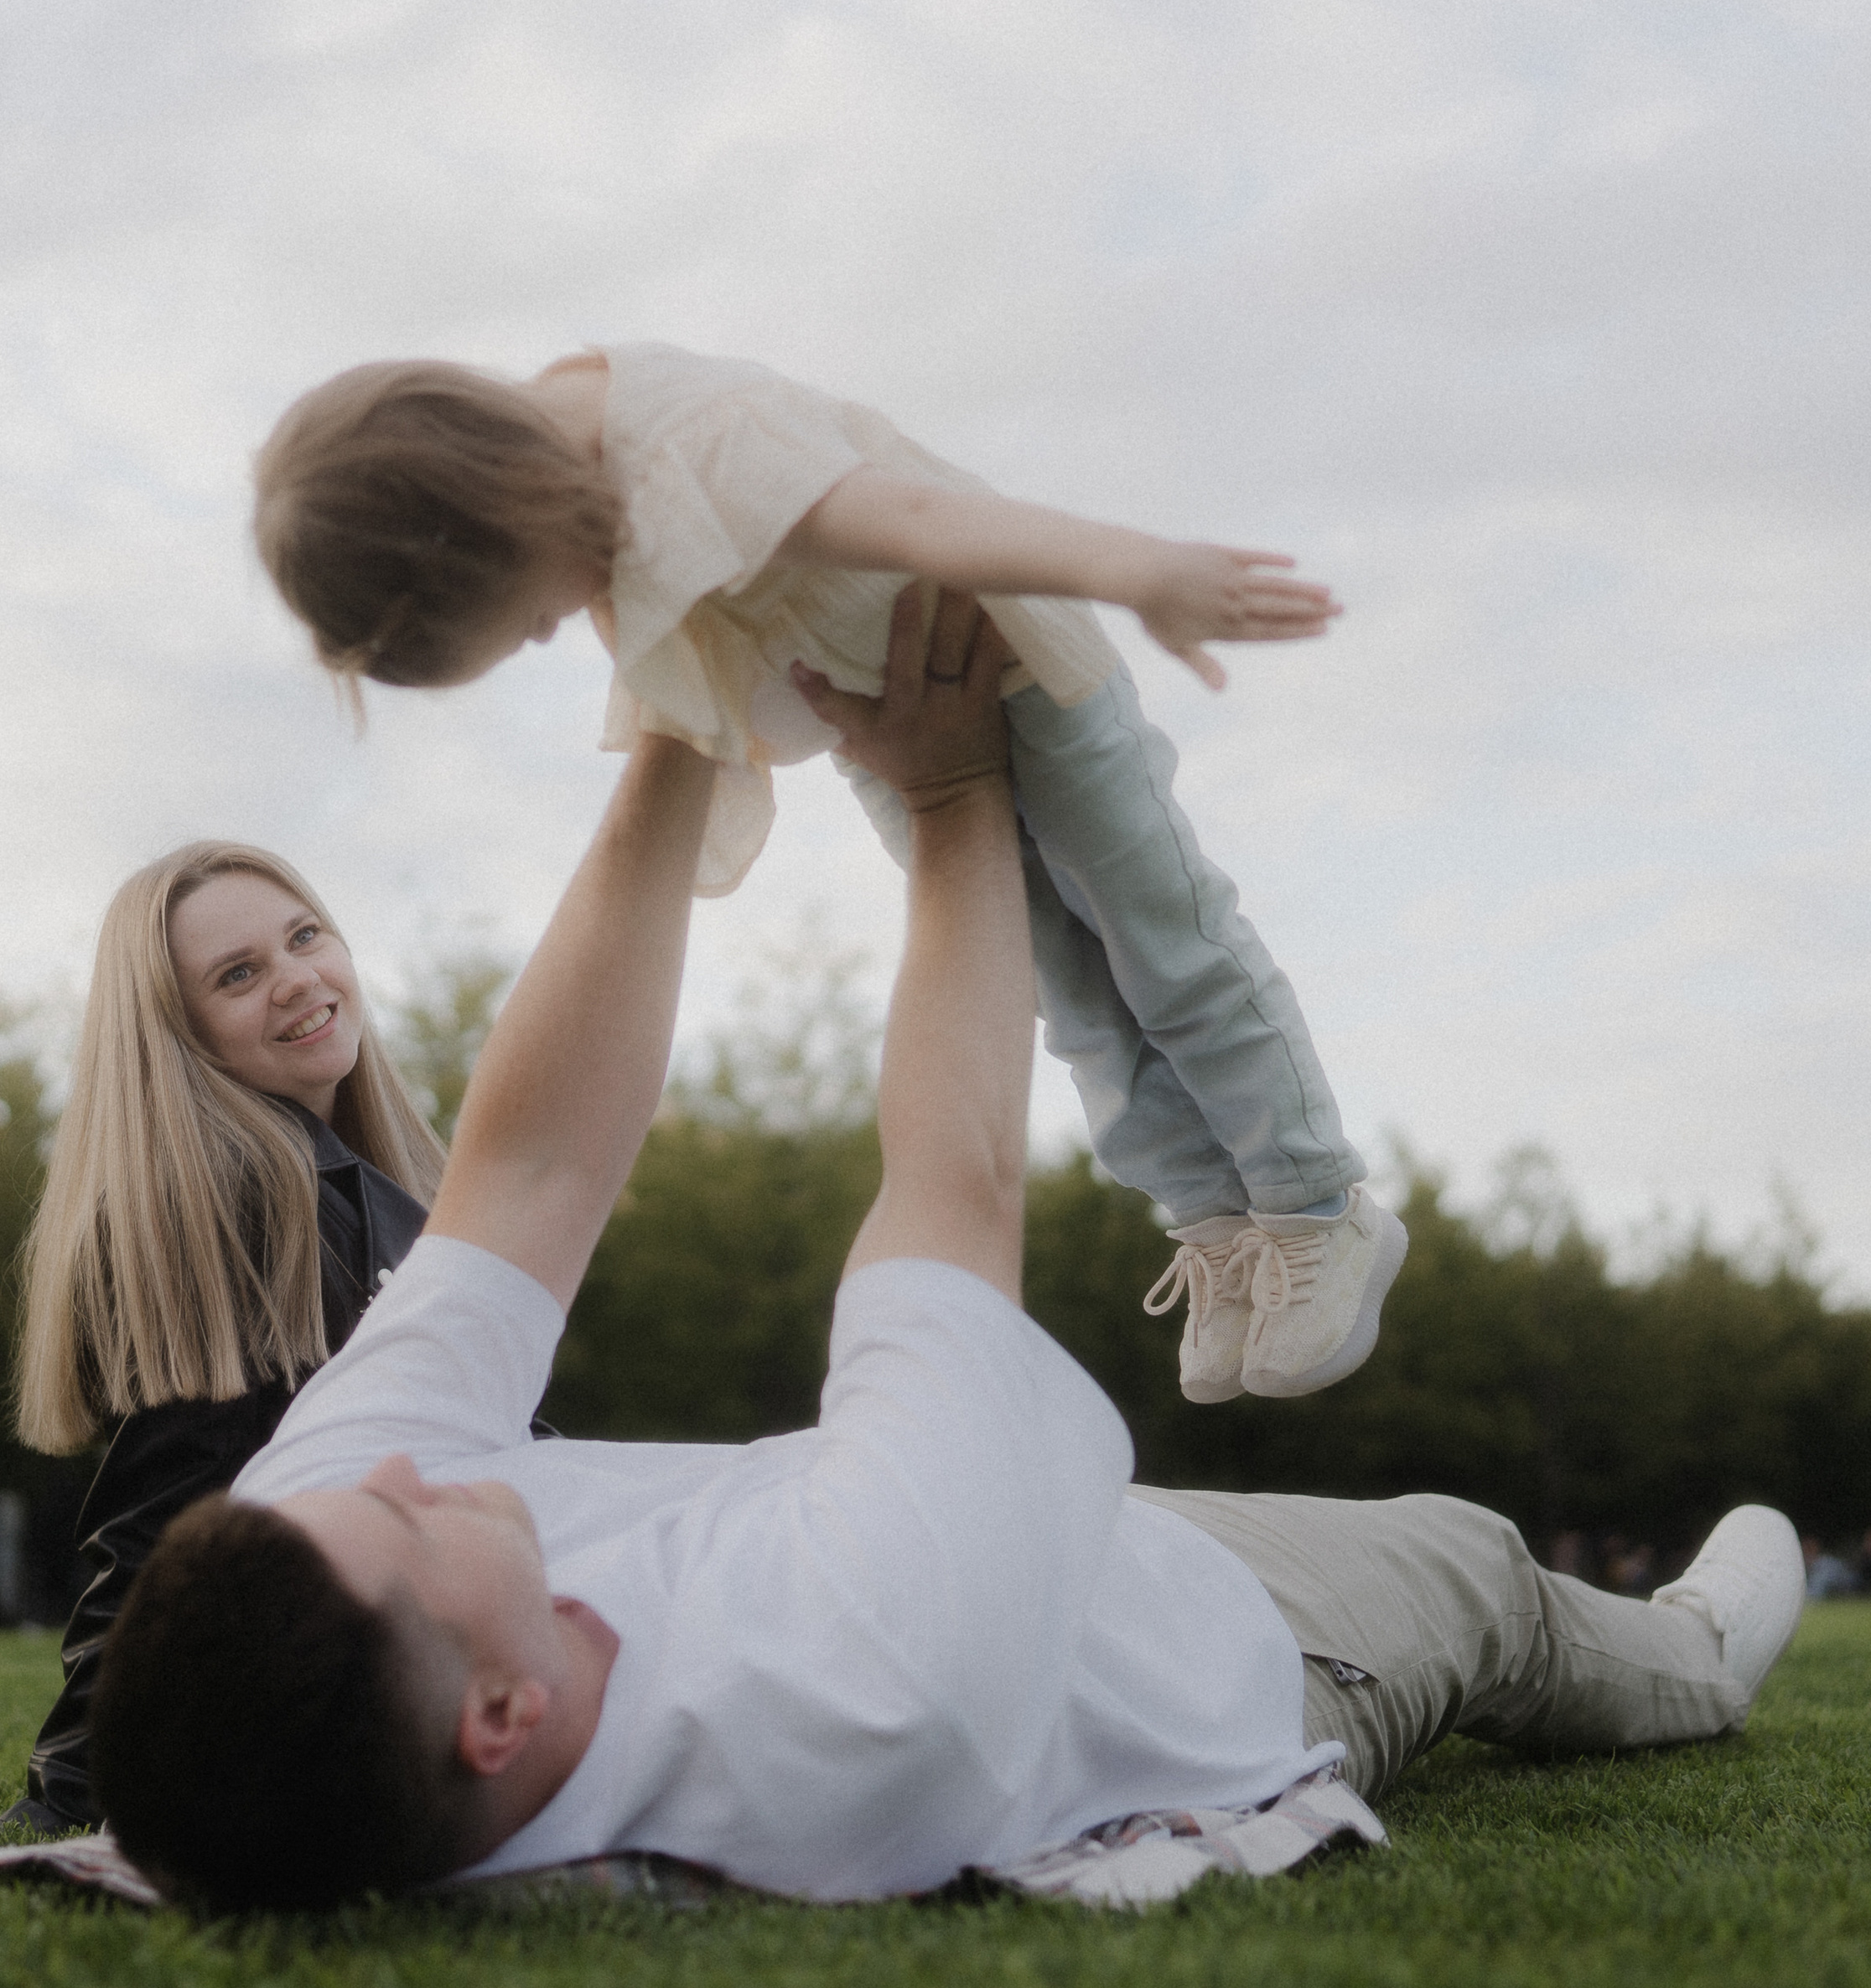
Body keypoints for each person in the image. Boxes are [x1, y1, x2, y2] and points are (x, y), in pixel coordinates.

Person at [90, 593, 1806, 1913]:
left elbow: (525, 1175)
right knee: (1475, 1566)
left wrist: (688, 724)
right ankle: (1695, 1651)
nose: (397, 1464)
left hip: (924, 1492)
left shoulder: (324, 1523)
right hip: (1202, 1640)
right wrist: (952, 790)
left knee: (936, 1471)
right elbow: (952, 1182)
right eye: (400, 1509)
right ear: (495, 1720)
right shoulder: (855, 1682)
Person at [250, 344, 1403, 1405]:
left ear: (508, 516)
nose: (559, 633)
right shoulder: (566, 477)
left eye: (531, 617)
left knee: (1164, 943)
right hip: (886, 727)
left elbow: (920, 519)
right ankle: (1211, 1217)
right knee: (1073, 1002)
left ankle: (1313, 1200)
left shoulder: (700, 446)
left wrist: (1139, 569)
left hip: (1019, 676)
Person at [0, 841, 445, 1830]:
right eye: (238, 975)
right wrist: (69, 1794)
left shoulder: (381, 1184)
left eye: (304, 936)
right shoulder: (233, 1205)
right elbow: (166, 1529)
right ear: (178, 1034)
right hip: (398, 1676)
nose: (296, 980)